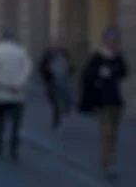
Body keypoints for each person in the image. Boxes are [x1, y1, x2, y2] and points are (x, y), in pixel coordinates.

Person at [80, 27, 128, 179]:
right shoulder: (97, 57)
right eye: (110, 39)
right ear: (105, 40)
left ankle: (109, 160)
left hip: (116, 101)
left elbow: (124, 72)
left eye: (115, 40)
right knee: (106, 133)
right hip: (103, 102)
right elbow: (87, 76)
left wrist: (114, 71)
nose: (112, 42)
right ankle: (108, 164)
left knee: (113, 134)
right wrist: (99, 76)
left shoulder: (117, 57)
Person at [0, 31, 33, 160]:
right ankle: (13, 148)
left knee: (0, 122)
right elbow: (27, 69)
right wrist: (17, 83)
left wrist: (5, 84)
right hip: (18, 94)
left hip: (1, 94)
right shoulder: (21, 51)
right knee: (16, 123)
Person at [39, 40, 73, 129]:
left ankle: (66, 108)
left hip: (63, 80)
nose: (57, 45)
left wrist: (69, 69)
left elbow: (71, 66)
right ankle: (57, 117)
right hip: (52, 81)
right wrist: (47, 71)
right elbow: (41, 67)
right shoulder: (48, 54)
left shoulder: (65, 53)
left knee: (65, 95)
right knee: (54, 100)